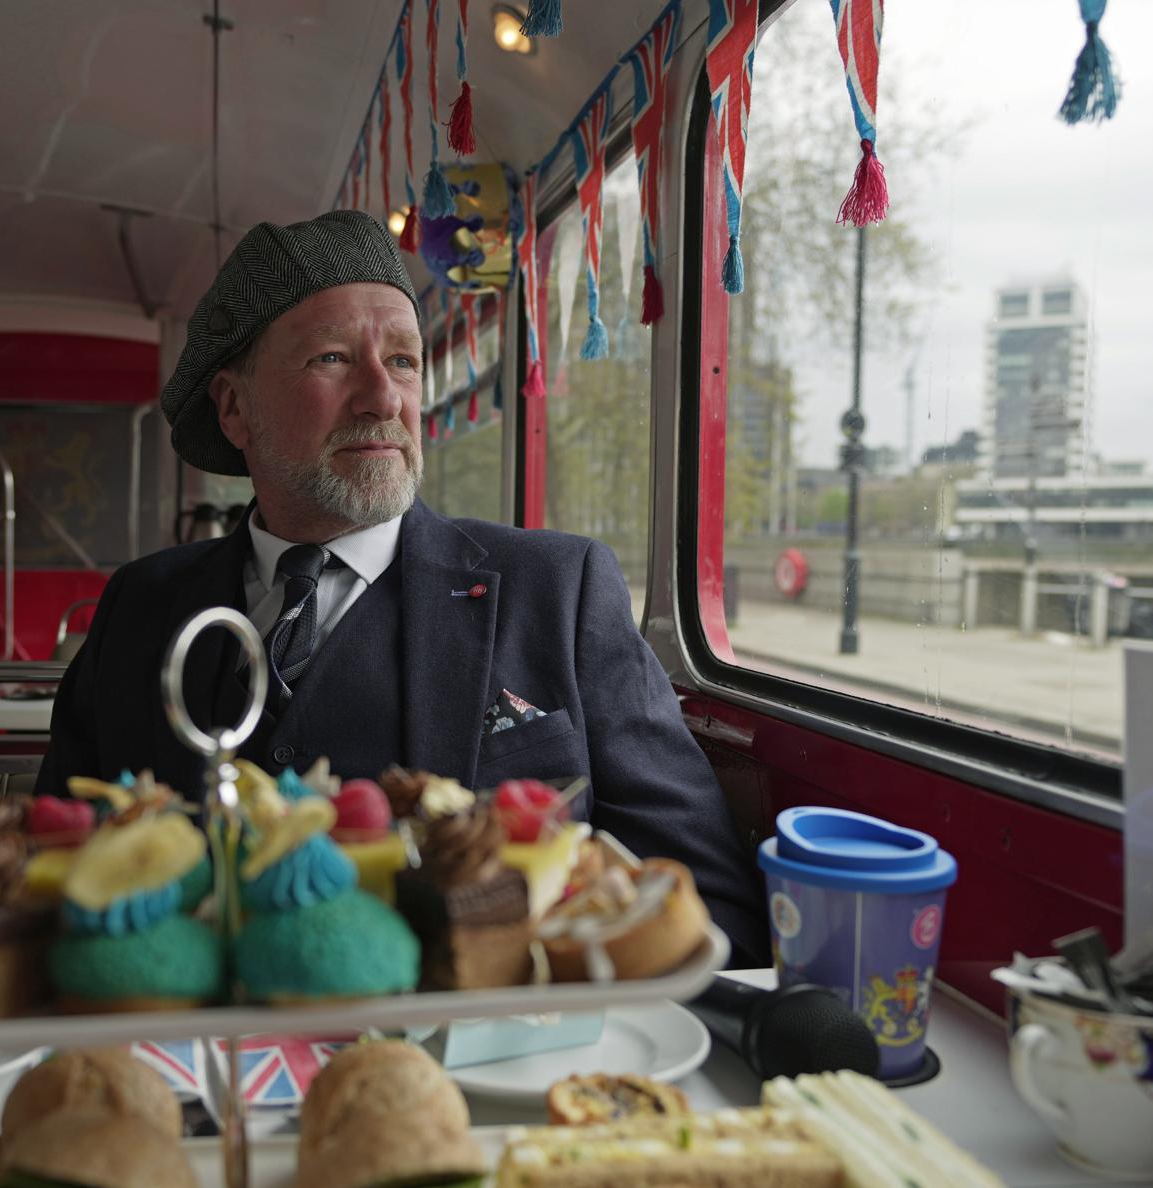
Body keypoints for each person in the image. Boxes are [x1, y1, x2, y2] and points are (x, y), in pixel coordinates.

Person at [38, 210, 766, 962]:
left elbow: (711, 915)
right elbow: (56, 878)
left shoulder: (558, 589)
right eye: (331, 359)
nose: (384, 399)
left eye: (405, 362)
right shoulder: (139, 609)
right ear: (233, 408)